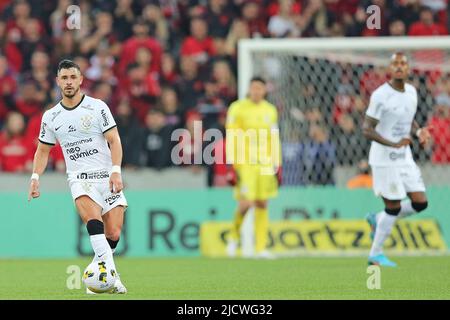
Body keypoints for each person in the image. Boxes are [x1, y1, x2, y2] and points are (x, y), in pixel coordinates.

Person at [27, 59, 128, 294]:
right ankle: (112, 278)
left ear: (81, 80)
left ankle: (97, 273)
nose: (69, 82)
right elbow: (43, 150)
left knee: (113, 233)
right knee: (94, 222)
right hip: (80, 178)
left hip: (106, 175)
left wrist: (116, 170)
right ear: (58, 82)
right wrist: (35, 177)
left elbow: (114, 140)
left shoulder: (98, 107)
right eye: (64, 78)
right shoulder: (51, 116)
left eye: (73, 77)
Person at [362, 52, 432, 267]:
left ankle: (377, 219)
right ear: (389, 70)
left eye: (403, 63)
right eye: (395, 64)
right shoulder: (380, 95)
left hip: (405, 157)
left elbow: (407, 118)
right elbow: (366, 129)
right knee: (393, 207)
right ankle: (375, 254)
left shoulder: (411, 91)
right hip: (384, 158)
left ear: (409, 69)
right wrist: (392, 143)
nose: (400, 67)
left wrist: (419, 131)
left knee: (420, 203)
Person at [225, 76, 281, 258]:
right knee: (246, 203)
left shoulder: (270, 110)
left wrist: (277, 163)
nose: (256, 91)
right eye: (253, 88)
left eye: (260, 88)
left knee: (262, 203)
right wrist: (231, 164)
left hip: (265, 162)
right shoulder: (237, 108)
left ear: (265, 90)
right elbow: (231, 136)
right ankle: (233, 237)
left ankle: (261, 248)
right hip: (245, 162)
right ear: (249, 89)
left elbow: (274, 138)